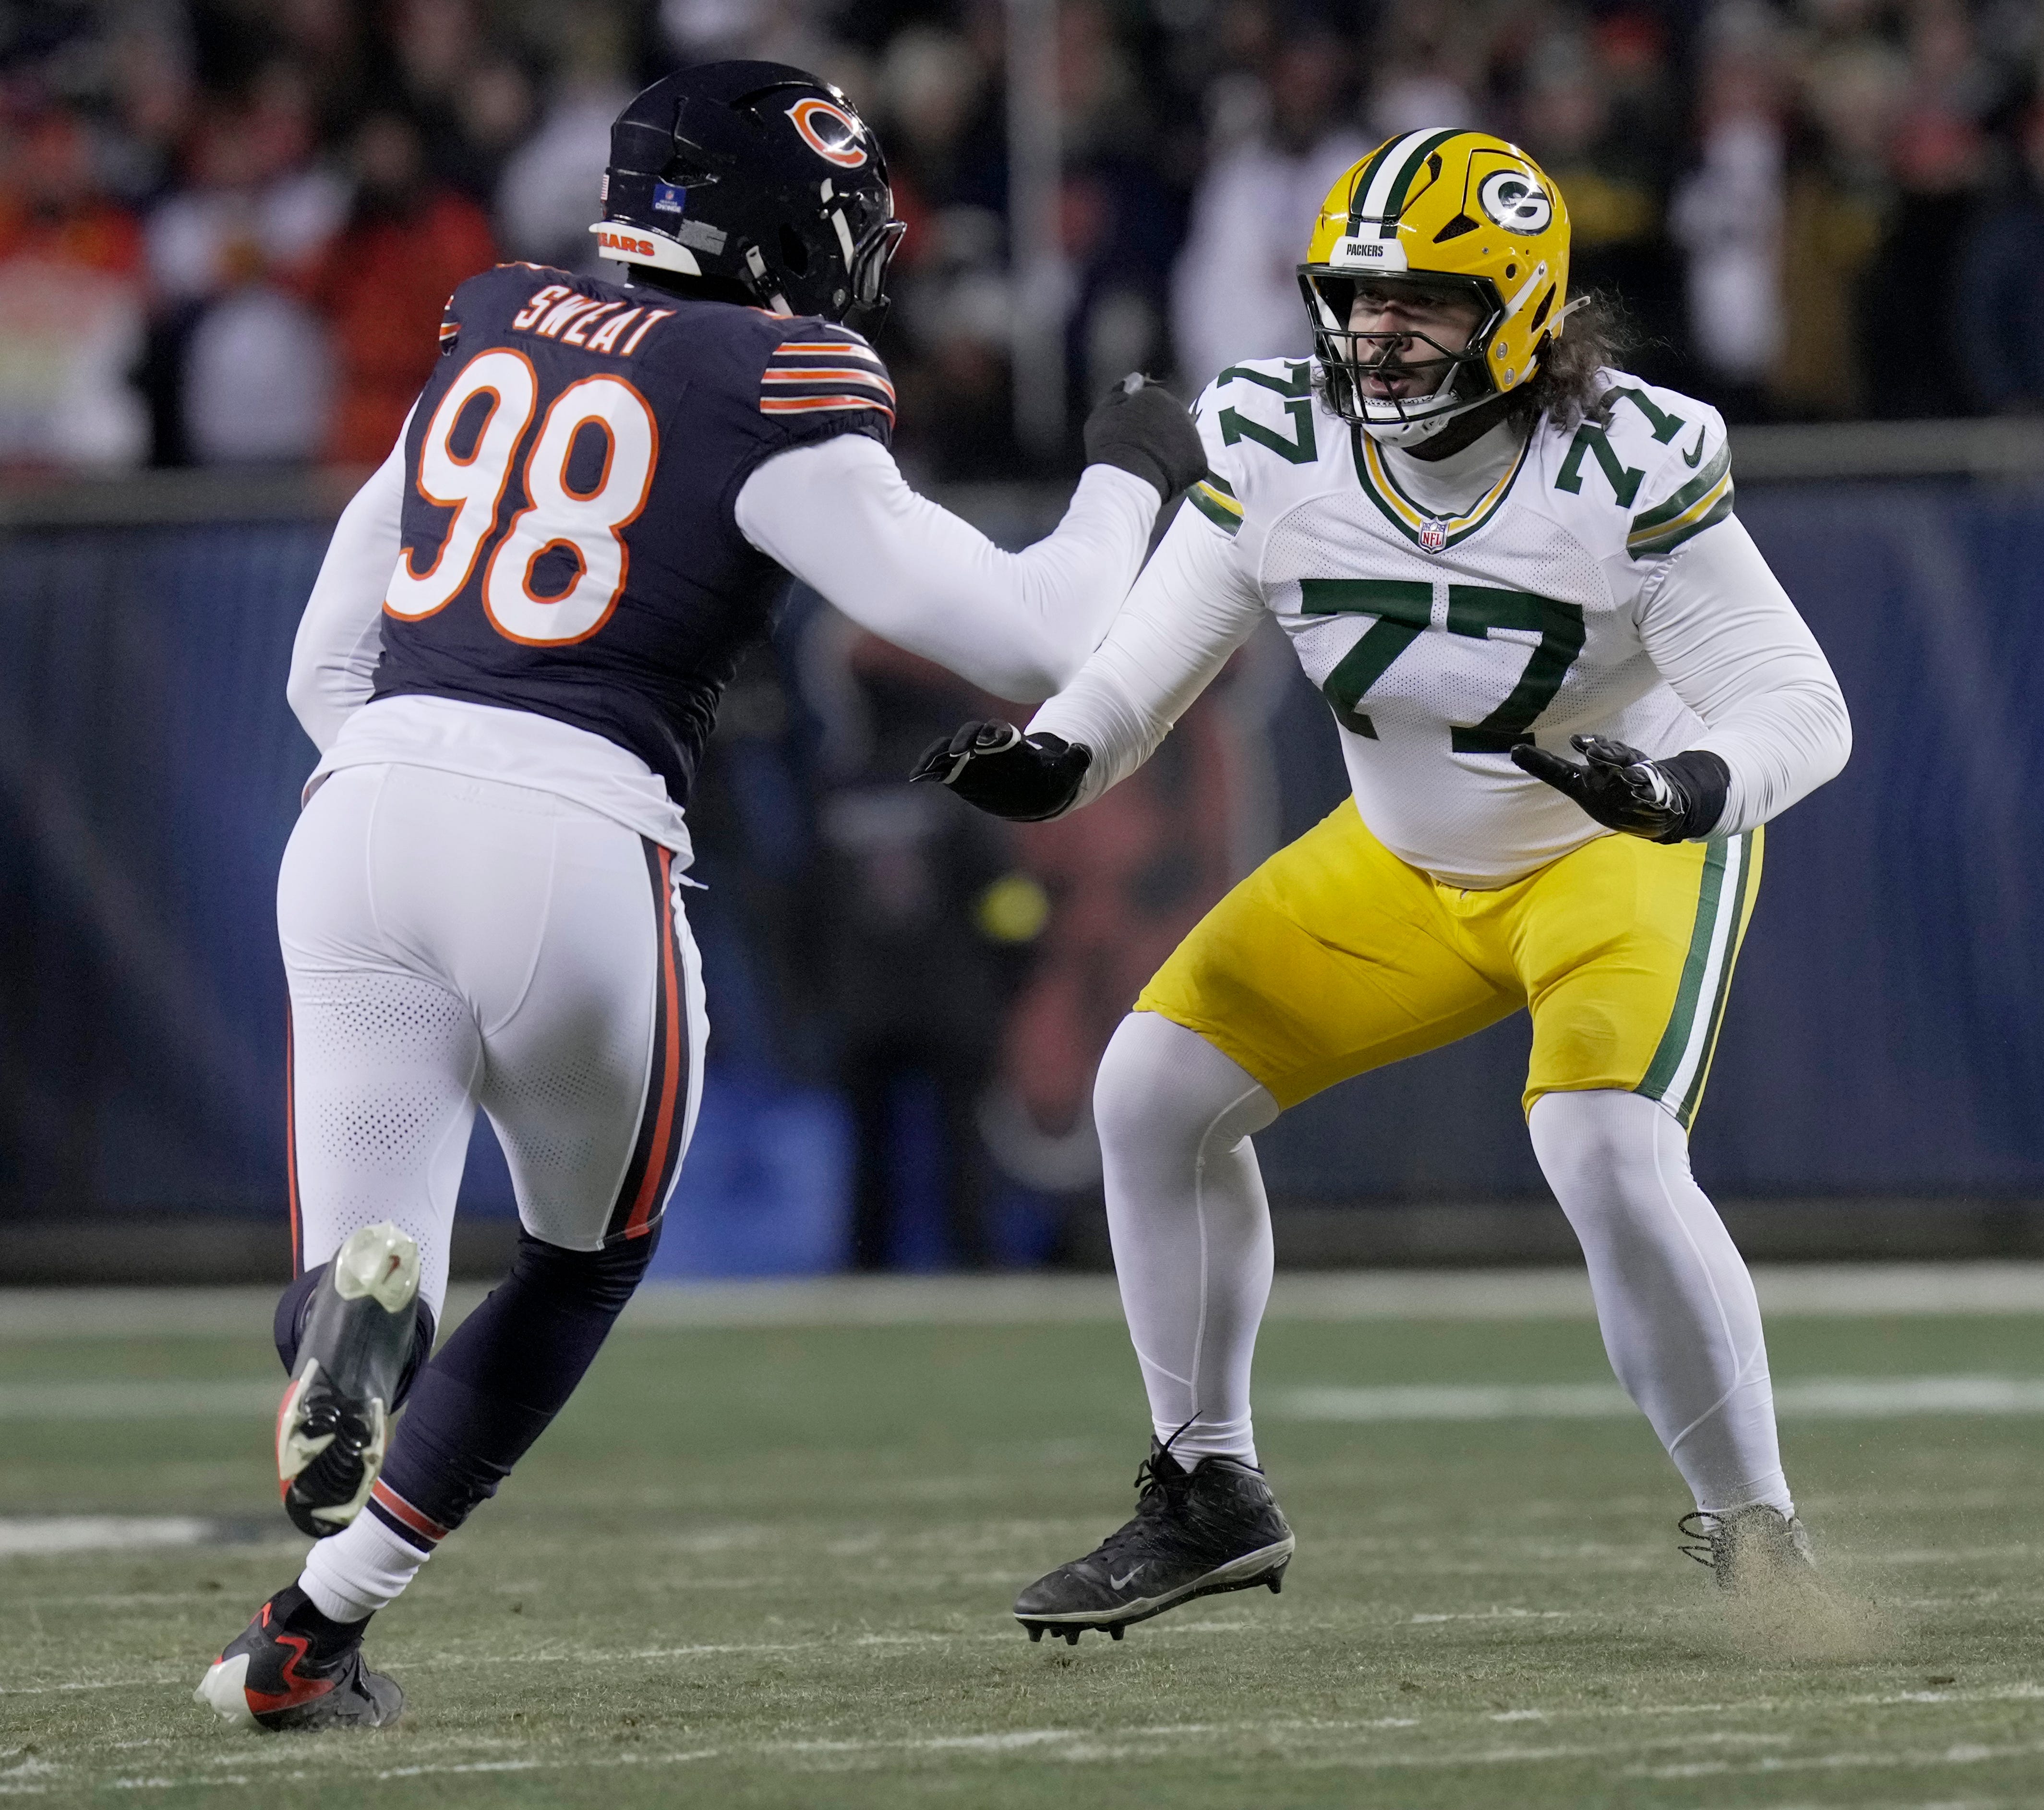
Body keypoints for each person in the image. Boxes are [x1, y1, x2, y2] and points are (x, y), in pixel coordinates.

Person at [194, 59, 1204, 1730]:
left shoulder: (491, 326)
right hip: (577, 834)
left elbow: (323, 658)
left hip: (365, 810)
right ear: (772, 228)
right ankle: (334, 1602)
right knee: (579, 1261)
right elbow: (1036, 634)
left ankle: (308, 1603)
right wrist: (1132, 468)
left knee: (364, 1272)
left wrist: (425, 781)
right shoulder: (769, 377)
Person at [914, 128, 1851, 1642]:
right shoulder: (1277, 437)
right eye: (1357, 298)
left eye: (1422, 301)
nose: (1378, 333)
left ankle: (1758, 1532)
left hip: (1607, 848)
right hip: (1402, 854)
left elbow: (1802, 705)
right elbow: (1147, 666)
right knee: (1149, 1090)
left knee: (1606, 1149)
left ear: (1522, 311)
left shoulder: (1619, 462)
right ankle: (1208, 1486)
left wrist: (1684, 790)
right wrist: (1057, 757)